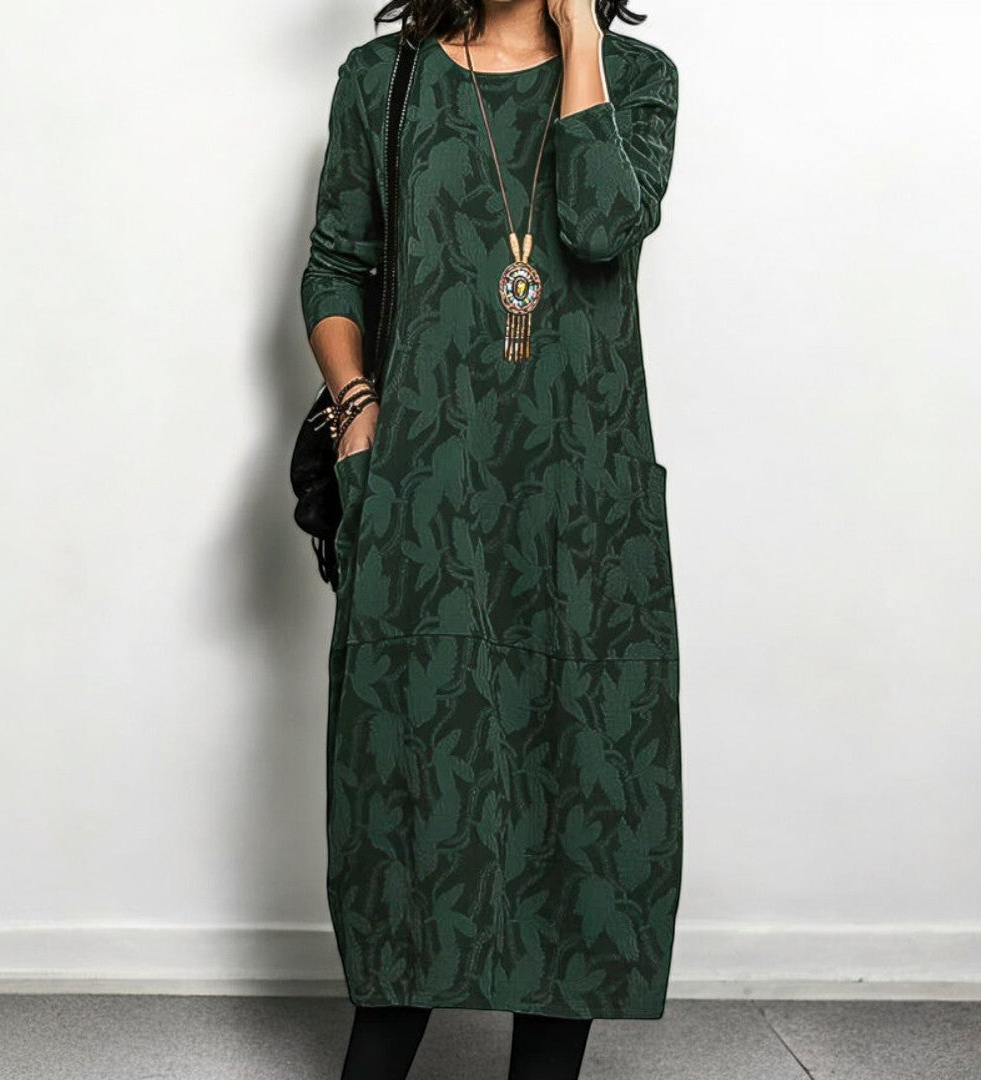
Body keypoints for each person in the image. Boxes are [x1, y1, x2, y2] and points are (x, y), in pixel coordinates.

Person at [300, 1, 682, 1076]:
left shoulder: (637, 77)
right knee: (409, 775)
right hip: (428, 495)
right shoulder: (386, 80)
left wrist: (581, 36)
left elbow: (600, 227)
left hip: (583, 506)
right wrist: (358, 408)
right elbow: (335, 264)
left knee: (584, 775)